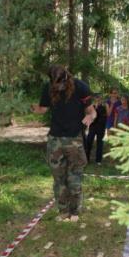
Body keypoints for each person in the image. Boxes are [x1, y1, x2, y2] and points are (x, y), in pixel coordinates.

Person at [31, 64, 96, 222]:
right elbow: (43, 109)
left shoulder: (81, 87)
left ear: (66, 78)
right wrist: (32, 108)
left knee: (74, 176)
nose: (58, 87)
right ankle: (63, 211)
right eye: (55, 84)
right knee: (58, 178)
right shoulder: (48, 87)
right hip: (55, 139)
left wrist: (90, 118)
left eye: (60, 84)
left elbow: (92, 111)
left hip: (74, 139)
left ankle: (75, 212)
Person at [86, 94, 106, 165]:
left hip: (100, 128)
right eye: (96, 99)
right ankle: (87, 159)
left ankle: (98, 160)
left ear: (101, 100)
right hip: (92, 128)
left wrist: (96, 113)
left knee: (99, 143)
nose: (98, 101)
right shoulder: (91, 107)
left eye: (99, 99)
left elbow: (103, 118)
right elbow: (88, 118)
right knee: (88, 141)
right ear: (94, 100)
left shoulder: (104, 107)